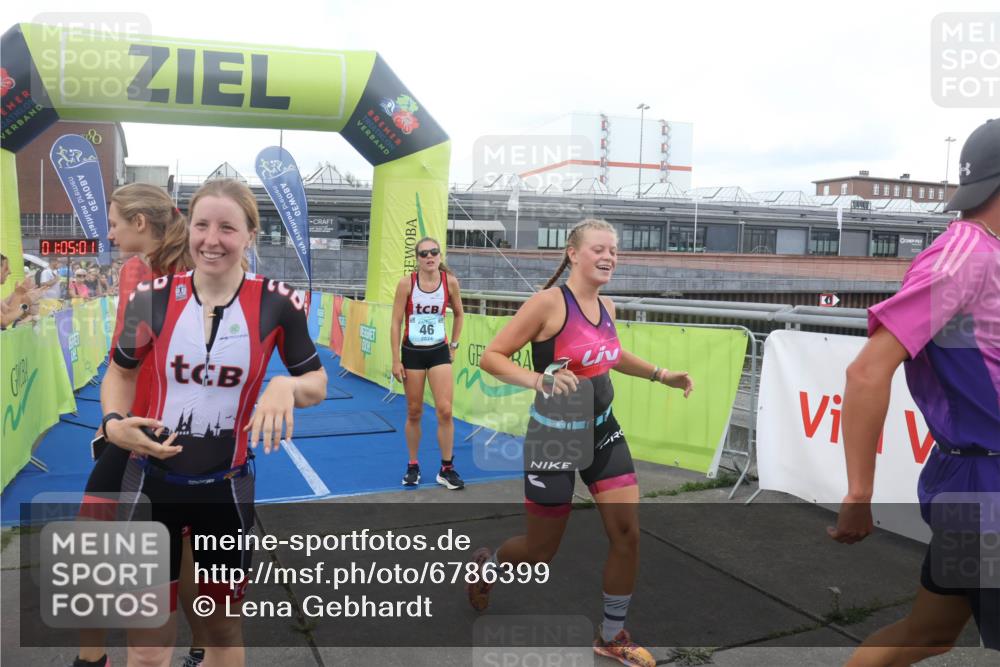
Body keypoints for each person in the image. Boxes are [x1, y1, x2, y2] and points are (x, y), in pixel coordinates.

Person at [101, 178, 327, 667]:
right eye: (202, 225)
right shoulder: (151, 297)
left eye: (228, 227)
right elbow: (120, 372)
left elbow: (317, 382)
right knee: (145, 645)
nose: (211, 239)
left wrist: (285, 385)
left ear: (250, 234)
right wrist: (114, 421)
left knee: (222, 632)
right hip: (149, 486)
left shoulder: (278, 302)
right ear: (189, 230)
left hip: (224, 492)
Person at [472, 218, 694, 667]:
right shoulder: (547, 305)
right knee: (539, 553)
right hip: (554, 437)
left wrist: (661, 374)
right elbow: (491, 357)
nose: (609, 256)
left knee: (627, 533)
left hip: (603, 428)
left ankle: (612, 636)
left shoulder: (607, 303)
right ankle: (488, 565)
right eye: (599, 248)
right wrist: (539, 380)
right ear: (574, 253)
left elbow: (612, 353)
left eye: (614, 249)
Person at [830, 118, 1000, 663]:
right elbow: (866, 372)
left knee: (928, 633)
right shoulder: (964, 257)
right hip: (985, 489)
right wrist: (859, 495)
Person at [73, 183, 198, 667]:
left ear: (140, 223)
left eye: (114, 222)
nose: (109, 232)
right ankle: (99, 657)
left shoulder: (166, 274)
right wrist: (112, 419)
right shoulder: (142, 272)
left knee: (158, 545)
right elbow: (124, 363)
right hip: (145, 428)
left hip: (155, 431)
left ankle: (103, 657)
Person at [390, 237, 466, 489]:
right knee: (414, 411)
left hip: (438, 352)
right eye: (424, 254)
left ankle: (447, 467)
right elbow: (395, 322)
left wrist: (453, 345)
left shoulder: (450, 282)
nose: (429, 257)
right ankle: (413, 464)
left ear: (440, 255)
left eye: (434, 252)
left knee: (445, 410)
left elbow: (459, 314)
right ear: (418, 258)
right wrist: (395, 359)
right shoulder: (406, 284)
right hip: (412, 352)